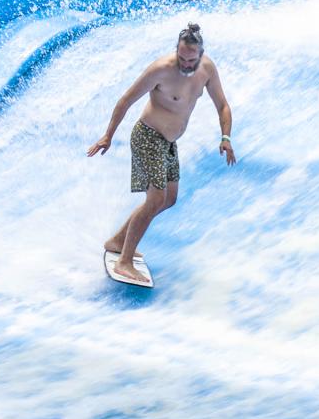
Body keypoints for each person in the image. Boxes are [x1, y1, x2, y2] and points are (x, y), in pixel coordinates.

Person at [87, 23, 234, 282]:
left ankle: (118, 241)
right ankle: (124, 262)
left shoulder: (207, 70)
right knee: (155, 199)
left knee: (169, 199)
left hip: (168, 143)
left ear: (201, 54)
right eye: (181, 57)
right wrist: (108, 136)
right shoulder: (160, 70)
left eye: (191, 59)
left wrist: (225, 137)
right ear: (176, 51)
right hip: (147, 136)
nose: (186, 64)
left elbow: (222, 105)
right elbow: (125, 100)